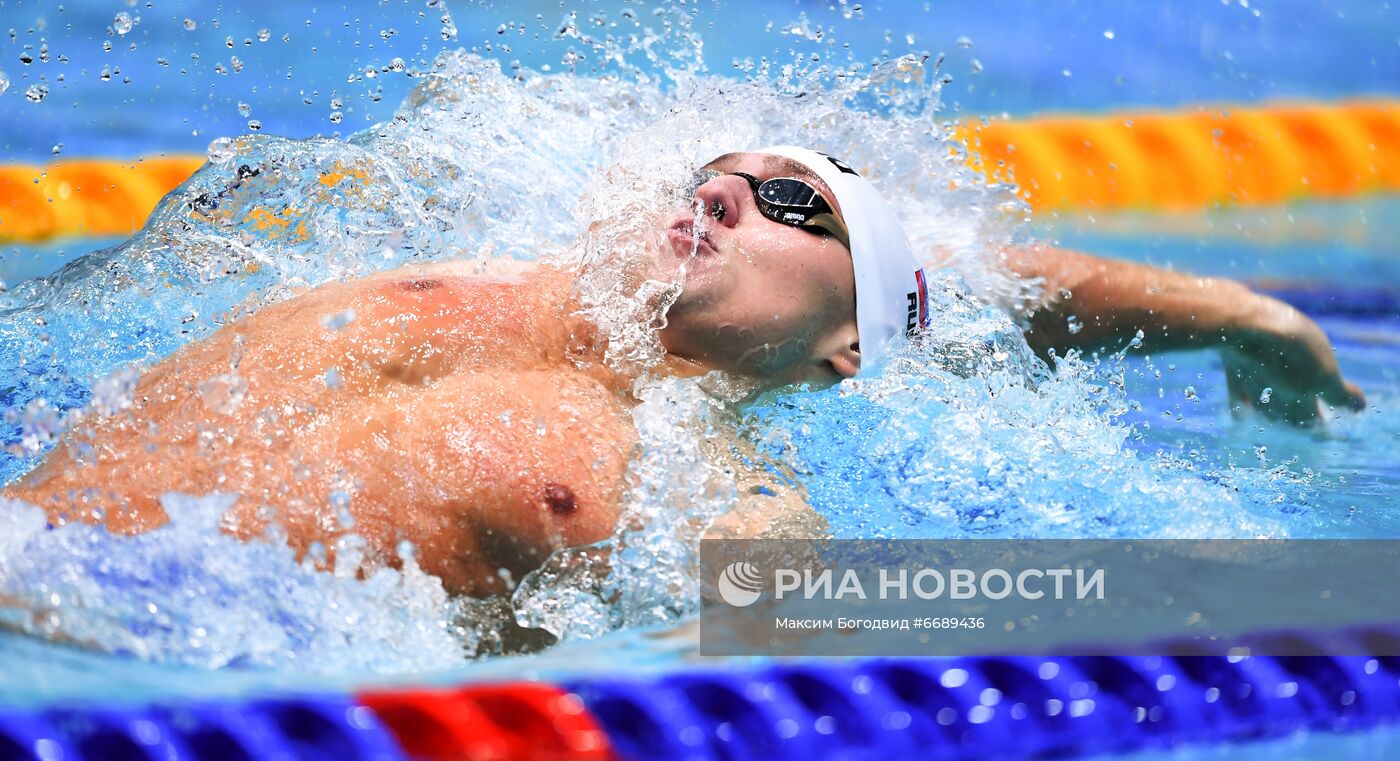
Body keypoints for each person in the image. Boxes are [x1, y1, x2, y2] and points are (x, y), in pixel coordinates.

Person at [0, 146, 1364, 597]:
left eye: (794, 205)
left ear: (848, 351)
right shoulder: (496, 256)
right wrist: (1231, 304)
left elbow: (963, 286)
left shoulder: (705, 482)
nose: (727, 191)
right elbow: (971, 273)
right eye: (720, 172)